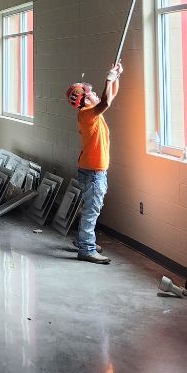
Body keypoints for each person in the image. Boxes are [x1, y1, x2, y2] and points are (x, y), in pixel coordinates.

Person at [65, 61, 122, 265]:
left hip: (92, 170)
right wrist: (108, 79)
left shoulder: (91, 113)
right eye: (91, 93)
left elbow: (109, 98)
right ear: (84, 100)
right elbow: (105, 102)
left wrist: (115, 77)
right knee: (92, 210)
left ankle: (84, 240)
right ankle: (86, 249)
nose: (95, 93)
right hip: (93, 172)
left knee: (90, 208)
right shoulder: (87, 114)